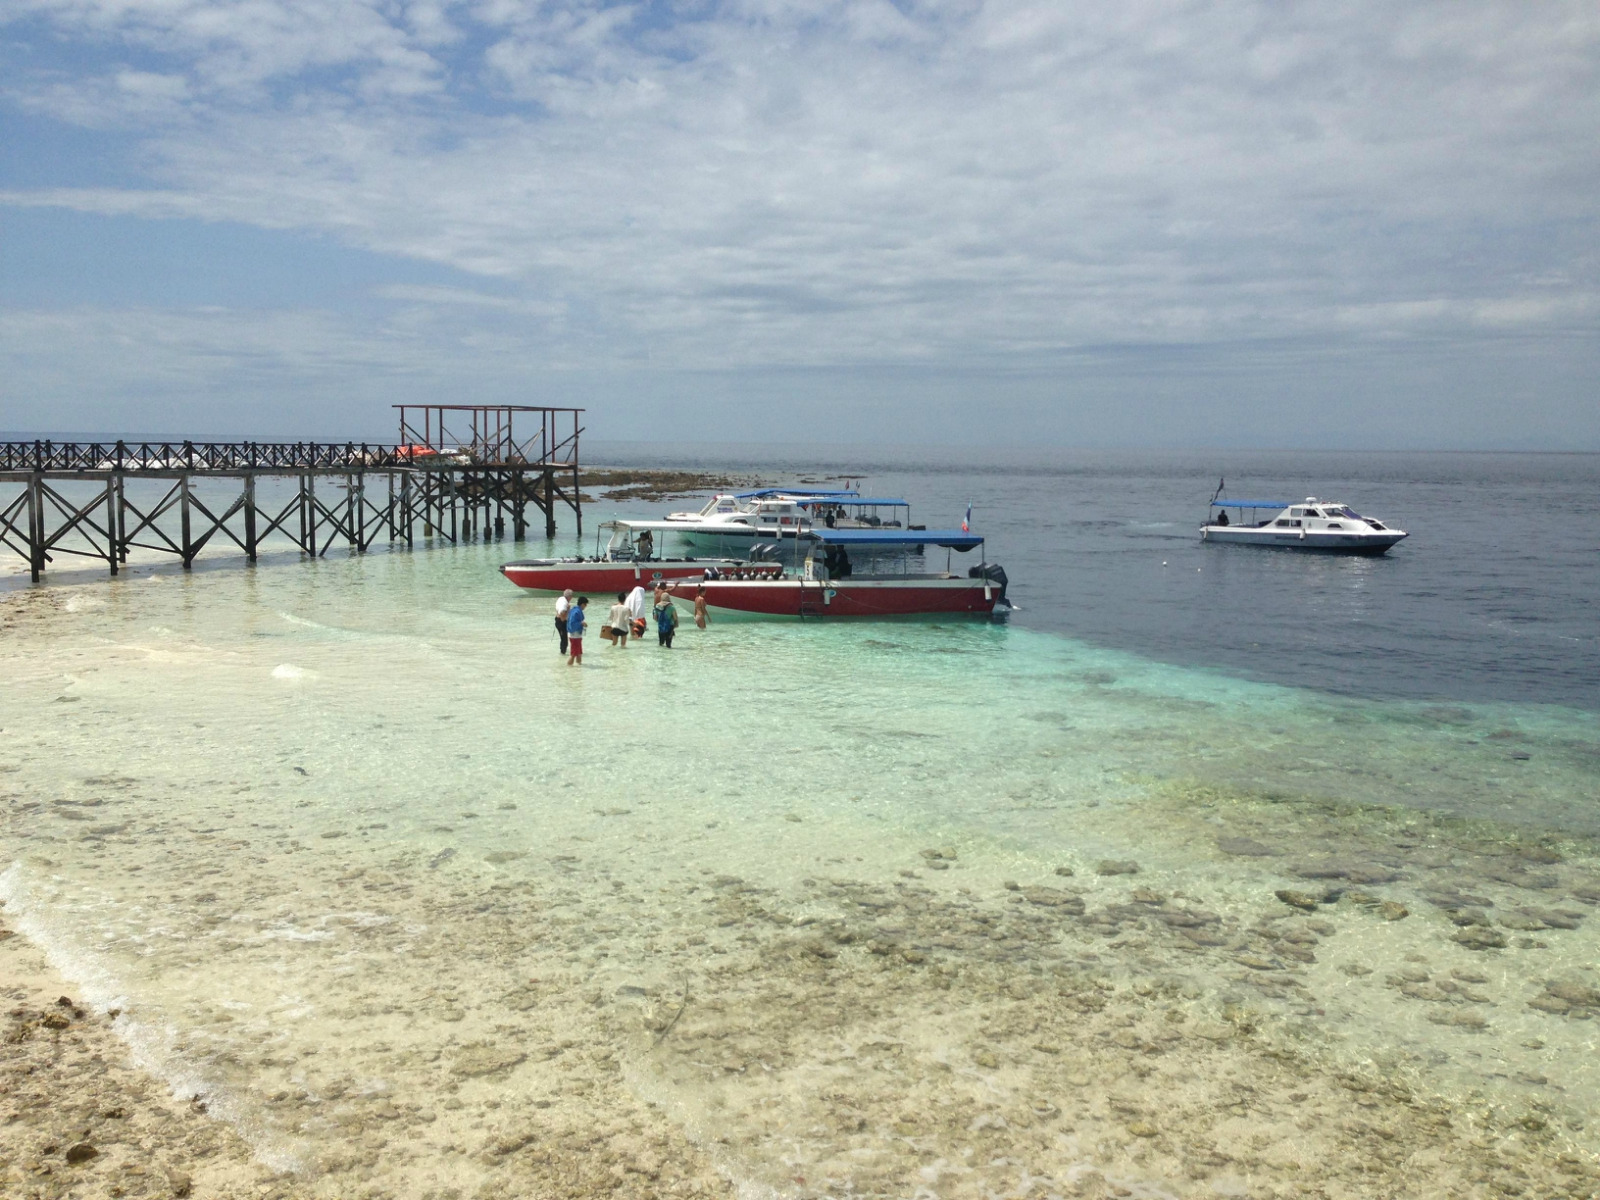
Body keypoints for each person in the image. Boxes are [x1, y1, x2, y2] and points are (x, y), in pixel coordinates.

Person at [566, 597, 588, 666]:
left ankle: (579, 667)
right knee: (573, 654)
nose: (586, 606)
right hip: (574, 635)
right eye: (585, 604)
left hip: (576, 635)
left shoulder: (573, 610)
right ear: (582, 604)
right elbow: (572, 623)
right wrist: (581, 623)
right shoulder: (576, 611)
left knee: (579, 653)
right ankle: (569, 667)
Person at [554, 588, 573, 654]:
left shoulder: (561, 598)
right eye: (571, 596)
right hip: (561, 622)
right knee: (564, 640)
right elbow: (562, 615)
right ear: (569, 596)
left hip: (558, 620)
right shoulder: (564, 604)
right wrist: (568, 609)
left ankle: (563, 652)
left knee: (564, 638)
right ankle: (563, 653)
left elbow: (557, 609)